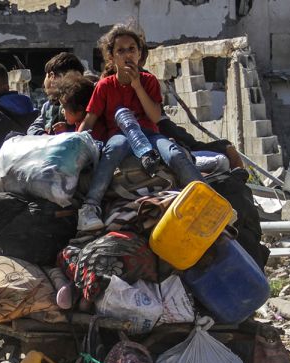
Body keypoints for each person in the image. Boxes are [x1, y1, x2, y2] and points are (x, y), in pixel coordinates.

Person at [77, 23, 204, 232]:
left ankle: (206, 197)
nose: (127, 54)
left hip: (149, 134)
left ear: (139, 54)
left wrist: (137, 86)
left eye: (132, 49)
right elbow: (90, 120)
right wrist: (76, 143)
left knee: (174, 154)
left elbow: (155, 116)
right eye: (121, 50)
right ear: (111, 57)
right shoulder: (105, 86)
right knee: (113, 150)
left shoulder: (148, 81)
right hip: (120, 135)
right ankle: (90, 206)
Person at [27, 52, 86, 136]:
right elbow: (33, 128)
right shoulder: (48, 106)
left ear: (51, 76)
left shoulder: (82, 102)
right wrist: (43, 135)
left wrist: (69, 130)